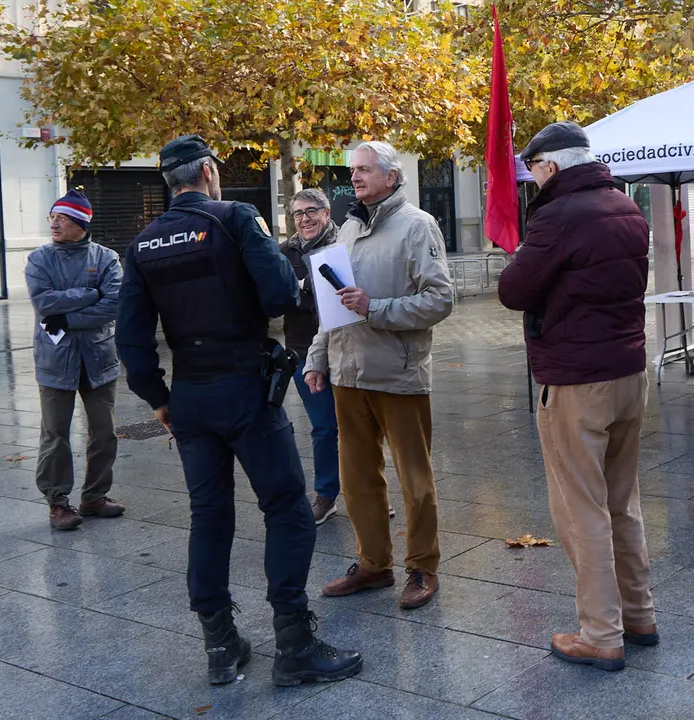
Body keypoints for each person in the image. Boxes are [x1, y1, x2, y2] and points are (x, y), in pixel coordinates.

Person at [117, 135, 360, 687]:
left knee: (208, 516)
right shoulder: (235, 218)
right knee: (286, 508)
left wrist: (159, 400)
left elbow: (130, 339)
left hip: (190, 396)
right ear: (207, 171)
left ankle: (220, 646)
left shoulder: (144, 243)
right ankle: (294, 643)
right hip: (246, 389)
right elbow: (279, 294)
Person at [499, 121, 653, 672]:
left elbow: (513, 291)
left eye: (535, 169)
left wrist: (522, 254)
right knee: (621, 502)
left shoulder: (557, 216)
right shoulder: (627, 206)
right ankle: (638, 614)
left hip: (576, 378)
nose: (532, 180)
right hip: (629, 371)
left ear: (554, 166)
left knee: (581, 510)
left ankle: (600, 632)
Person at [303, 141, 453, 611]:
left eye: (365, 170)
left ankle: (423, 566)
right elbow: (333, 306)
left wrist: (377, 308)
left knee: (415, 478)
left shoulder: (418, 225)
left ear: (392, 176)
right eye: (353, 171)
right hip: (348, 374)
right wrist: (316, 358)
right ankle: (373, 564)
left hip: (397, 374)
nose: (355, 178)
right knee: (357, 479)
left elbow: (440, 300)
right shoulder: (346, 226)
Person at [25, 189, 124, 531]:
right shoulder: (39, 259)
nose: (54, 223)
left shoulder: (107, 258)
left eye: (62, 218)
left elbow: (114, 304)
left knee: (104, 432)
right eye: (52, 217)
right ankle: (57, 503)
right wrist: (88, 294)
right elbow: (44, 302)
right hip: (56, 360)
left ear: (80, 223)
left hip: (99, 358)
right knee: (55, 434)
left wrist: (69, 318)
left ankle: (94, 496)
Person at [279, 189, 343, 524]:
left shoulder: (344, 245)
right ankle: (326, 494)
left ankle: (371, 492)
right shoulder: (284, 252)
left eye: (311, 211)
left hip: (347, 349)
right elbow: (278, 299)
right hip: (304, 351)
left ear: (327, 212)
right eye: (298, 213)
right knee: (322, 427)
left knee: (359, 426)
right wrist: (306, 288)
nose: (305, 219)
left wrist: (302, 287)